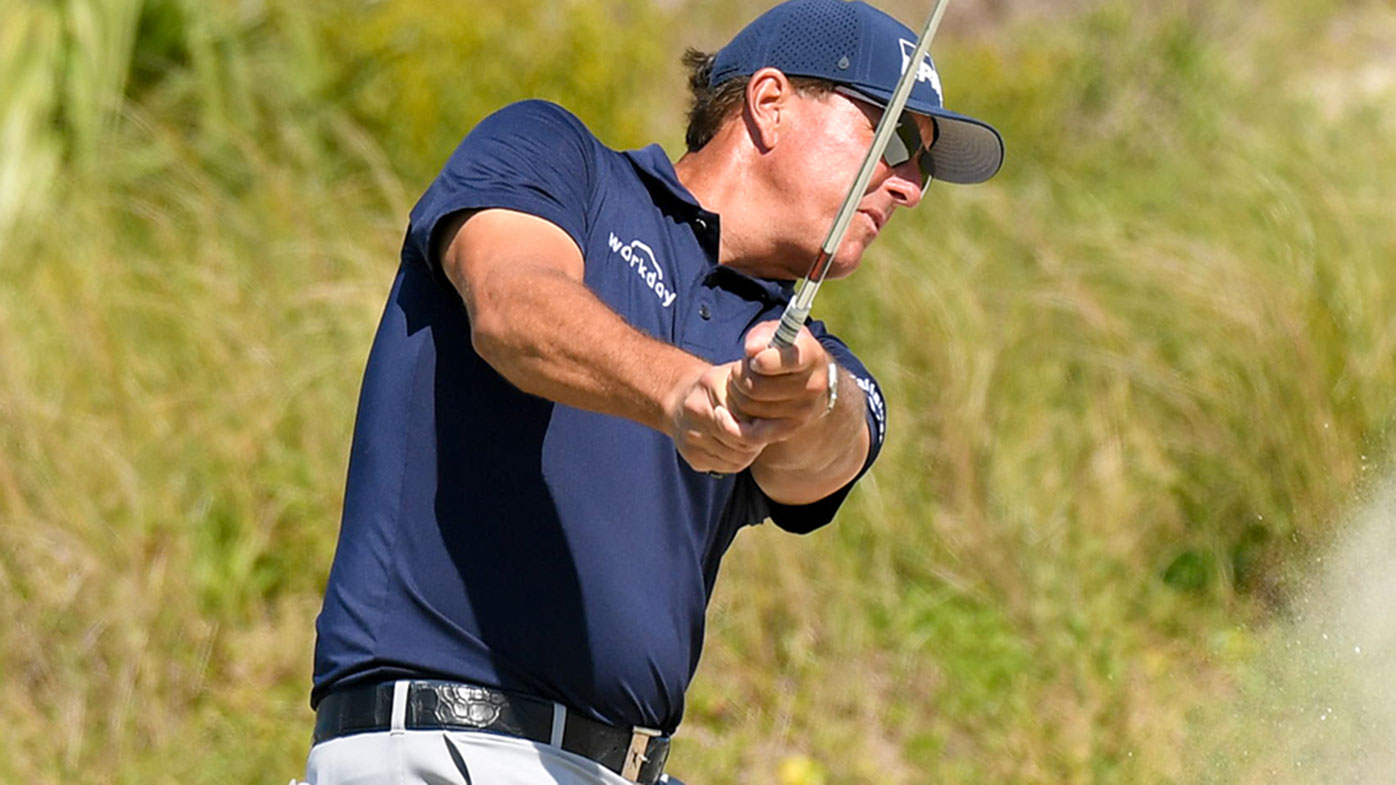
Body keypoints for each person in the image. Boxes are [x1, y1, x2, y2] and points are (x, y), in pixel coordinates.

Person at [302, 1, 1003, 783]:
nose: (910, 186)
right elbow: (510, 303)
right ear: (770, 104)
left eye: (925, 167)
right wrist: (679, 390)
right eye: (900, 138)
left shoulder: (804, 346)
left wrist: (813, 396)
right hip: (449, 745)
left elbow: (826, 455)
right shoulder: (557, 157)